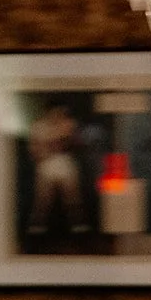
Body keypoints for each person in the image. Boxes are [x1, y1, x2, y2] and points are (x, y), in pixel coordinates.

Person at [27, 99, 89, 238]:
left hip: (65, 163)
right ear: (48, 112)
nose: (57, 114)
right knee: (42, 202)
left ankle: (79, 231)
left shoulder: (69, 124)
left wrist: (68, 136)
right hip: (46, 165)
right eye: (54, 111)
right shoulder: (38, 127)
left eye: (61, 111)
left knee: (73, 200)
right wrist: (44, 150)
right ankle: (36, 233)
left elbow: (78, 145)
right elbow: (33, 149)